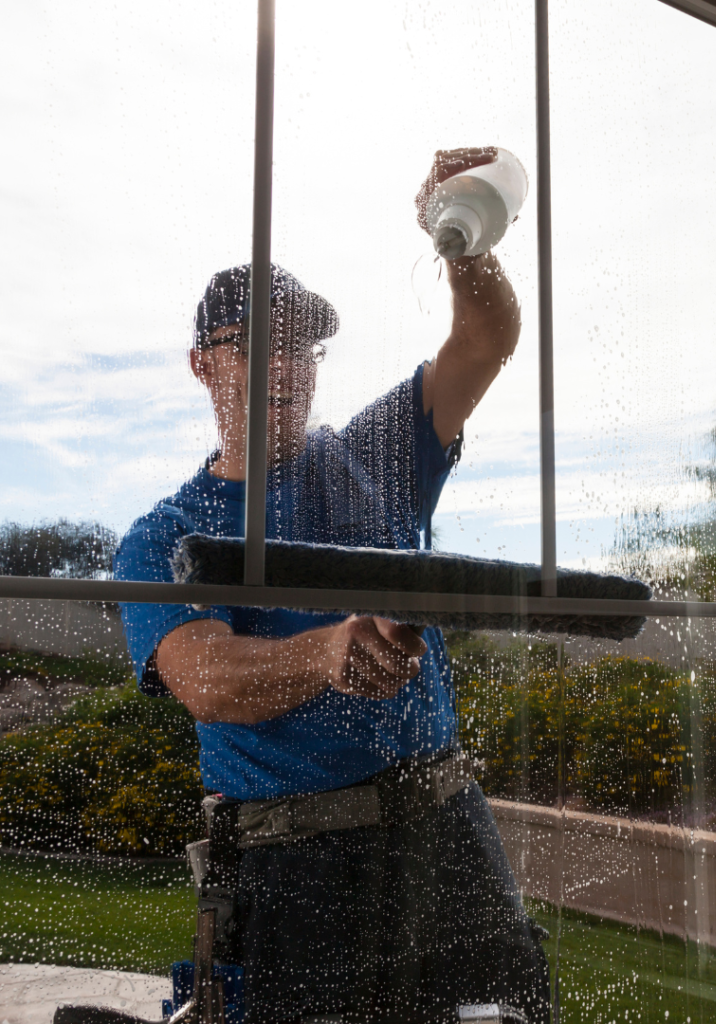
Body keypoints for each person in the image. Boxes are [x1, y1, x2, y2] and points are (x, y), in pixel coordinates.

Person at [114, 148, 550, 1024]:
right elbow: (206, 680)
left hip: (447, 830)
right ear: (202, 364)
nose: (285, 366)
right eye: (255, 346)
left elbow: (485, 341)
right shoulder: (165, 537)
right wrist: (327, 654)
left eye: (300, 345)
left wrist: (462, 239)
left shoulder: (373, 458)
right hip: (297, 869)